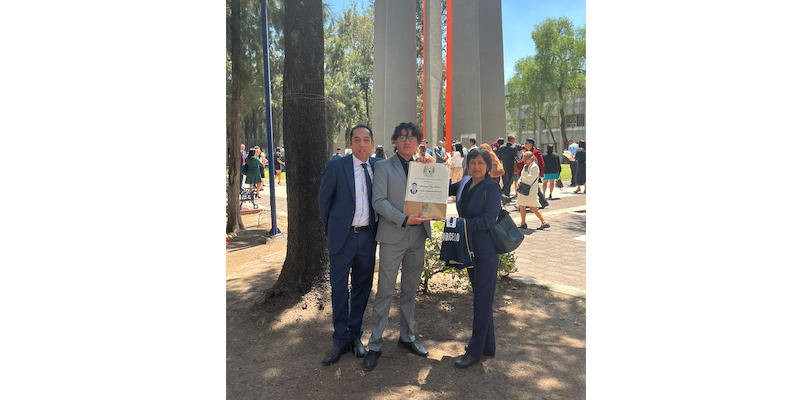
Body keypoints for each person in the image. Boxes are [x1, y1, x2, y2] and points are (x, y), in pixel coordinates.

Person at [363, 122, 434, 372]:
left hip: (418, 237)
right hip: (393, 236)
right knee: (384, 291)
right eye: (402, 137)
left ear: (418, 142)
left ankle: (407, 337)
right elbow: (378, 201)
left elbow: (433, 196)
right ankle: (375, 344)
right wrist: (404, 219)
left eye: (412, 138)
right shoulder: (383, 167)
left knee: (409, 290)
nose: (407, 141)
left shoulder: (423, 167)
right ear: (395, 140)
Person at [318, 125, 379, 366]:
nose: (362, 144)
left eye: (366, 140)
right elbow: (324, 203)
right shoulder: (336, 167)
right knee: (339, 289)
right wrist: (333, 232)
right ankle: (340, 339)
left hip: (367, 238)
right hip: (342, 239)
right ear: (350, 143)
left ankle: (355, 335)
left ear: (372, 143)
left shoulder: (379, 167)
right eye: (357, 140)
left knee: (362, 288)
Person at [448, 148, 502, 368]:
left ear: (488, 166)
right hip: (469, 248)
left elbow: (489, 220)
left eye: (481, 163)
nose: (476, 167)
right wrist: (426, 173)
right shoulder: (464, 183)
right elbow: (441, 188)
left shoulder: (492, 187)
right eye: (472, 163)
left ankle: (474, 351)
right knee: (482, 297)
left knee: (482, 299)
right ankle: (488, 345)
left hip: (486, 250)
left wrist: (461, 224)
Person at [516, 151, 550, 230]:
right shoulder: (526, 166)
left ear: (531, 159)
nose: (524, 160)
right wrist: (519, 181)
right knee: (522, 206)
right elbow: (521, 176)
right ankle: (523, 223)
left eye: (526, 159)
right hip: (523, 188)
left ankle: (544, 222)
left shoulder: (534, 167)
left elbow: (530, 178)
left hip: (530, 190)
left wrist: (524, 174)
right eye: (523, 159)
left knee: (532, 207)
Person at [523, 138, 548, 209]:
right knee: (531, 187)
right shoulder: (525, 152)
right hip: (527, 172)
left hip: (534, 172)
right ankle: (542, 201)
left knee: (533, 187)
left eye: (526, 143)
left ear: (530, 144)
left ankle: (542, 202)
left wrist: (540, 174)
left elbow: (541, 163)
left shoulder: (536, 152)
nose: (525, 145)